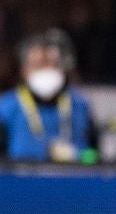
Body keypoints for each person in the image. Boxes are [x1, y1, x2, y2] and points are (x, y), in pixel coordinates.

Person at [0, 30, 98, 162]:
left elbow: (95, 156)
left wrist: (80, 157)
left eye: (53, 64)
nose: (47, 69)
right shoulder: (6, 108)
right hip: (21, 180)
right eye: (39, 64)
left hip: (73, 179)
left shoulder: (80, 105)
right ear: (24, 70)